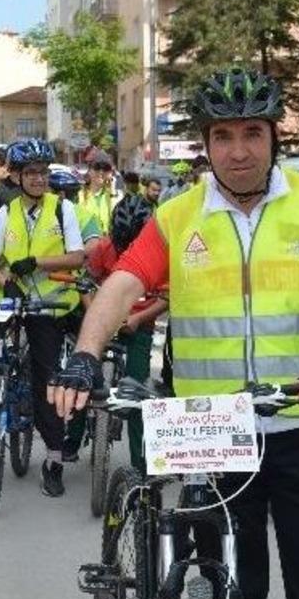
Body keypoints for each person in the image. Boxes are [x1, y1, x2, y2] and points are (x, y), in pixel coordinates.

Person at [52, 68, 299, 599]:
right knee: (229, 588)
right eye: (223, 136)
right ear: (207, 144)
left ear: (274, 137)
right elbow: (123, 283)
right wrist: (84, 355)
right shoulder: (176, 216)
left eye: (252, 133)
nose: (239, 152)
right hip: (213, 433)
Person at [0, 139, 86, 496]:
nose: (37, 179)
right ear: (17, 177)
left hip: (48, 308)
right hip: (13, 303)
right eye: (30, 173)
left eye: (43, 173)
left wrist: (39, 263)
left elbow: (78, 257)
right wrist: (7, 283)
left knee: (45, 379)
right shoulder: (7, 212)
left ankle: (53, 459)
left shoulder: (63, 211)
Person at [65, 193, 168, 467]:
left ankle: (141, 465)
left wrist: (137, 319)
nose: (124, 254)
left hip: (139, 325)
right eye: (121, 246)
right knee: (81, 377)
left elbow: (168, 298)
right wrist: (96, 317)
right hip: (106, 321)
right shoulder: (103, 248)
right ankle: (71, 441)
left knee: (138, 393)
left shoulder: (162, 250)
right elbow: (85, 285)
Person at [49, 167, 103, 253]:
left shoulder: (81, 214)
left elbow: (93, 244)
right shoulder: (83, 214)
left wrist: (68, 260)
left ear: (61, 195)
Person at [78, 151, 119, 235]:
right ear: (89, 171)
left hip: (107, 245)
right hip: (86, 244)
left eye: (105, 168)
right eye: (97, 167)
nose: (101, 172)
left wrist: (113, 190)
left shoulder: (115, 196)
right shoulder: (78, 195)